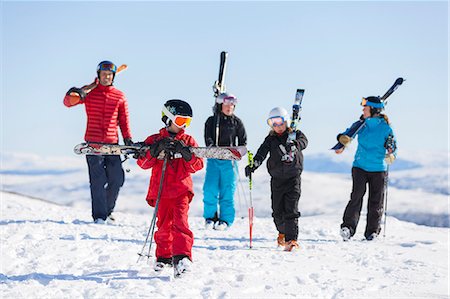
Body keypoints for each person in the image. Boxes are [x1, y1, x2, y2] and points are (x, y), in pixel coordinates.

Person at [136, 99, 204, 277]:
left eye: (187, 123)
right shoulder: (154, 139)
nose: (184, 127)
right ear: (168, 118)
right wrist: (153, 150)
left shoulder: (188, 140)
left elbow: (197, 166)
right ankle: (164, 257)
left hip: (181, 190)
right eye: (181, 121)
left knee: (180, 224)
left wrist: (187, 154)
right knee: (164, 226)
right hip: (161, 191)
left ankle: (182, 257)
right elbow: (143, 163)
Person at [63, 60, 133, 224]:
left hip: (112, 144)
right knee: (98, 181)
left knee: (117, 179)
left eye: (109, 74)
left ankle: (107, 211)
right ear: (98, 76)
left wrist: (128, 138)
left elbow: (124, 120)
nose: (107, 77)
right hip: (93, 144)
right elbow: (67, 103)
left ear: (113, 76)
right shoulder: (89, 93)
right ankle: (100, 217)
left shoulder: (119, 96)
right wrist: (80, 90)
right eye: (104, 74)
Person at [245, 107, 308, 251]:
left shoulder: (295, 135)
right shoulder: (271, 139)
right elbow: (261, 153)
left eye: (280, 122)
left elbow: (304, 142)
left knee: (291, 210)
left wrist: (295, 145)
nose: (277, 126)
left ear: (286, 121)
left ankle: (291, 240)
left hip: (293, 179)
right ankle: (282, 232)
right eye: (273, 123)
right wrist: (253, 165)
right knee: (277, 212)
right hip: (277, 180)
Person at [335, 96, 397, 241]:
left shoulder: (386, 128)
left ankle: (372, 232)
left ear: (373, 110)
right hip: (360, 167)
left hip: (378, 169)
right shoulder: (361, 125)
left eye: (365, 107)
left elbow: (393, 147)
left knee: (376, 201)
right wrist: (341, 143)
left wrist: (391, 154)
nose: (363, 109)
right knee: (356, 197)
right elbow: (348, 134)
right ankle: (348, 228)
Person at [202, 92, 247, 230]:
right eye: (227, 104)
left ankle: (225, 220)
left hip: (229, 162)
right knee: (210, 189)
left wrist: (237, 151)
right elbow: (208, 137)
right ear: (220, 104)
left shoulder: (237, 122)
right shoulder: (212, 121)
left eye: (232, 105)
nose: (230, 107)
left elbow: (243, 140)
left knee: (227, 191)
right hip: (214, 159)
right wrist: (212, 147)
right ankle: (210, 217)